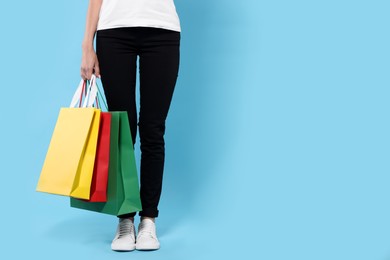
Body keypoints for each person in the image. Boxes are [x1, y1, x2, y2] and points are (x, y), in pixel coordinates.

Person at [80, 0, 181, 251]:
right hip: (114, 31)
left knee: (153, 130)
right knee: (122, 133)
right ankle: (125, 219)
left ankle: (148, 220)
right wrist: (87, 45)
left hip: (162, 29)